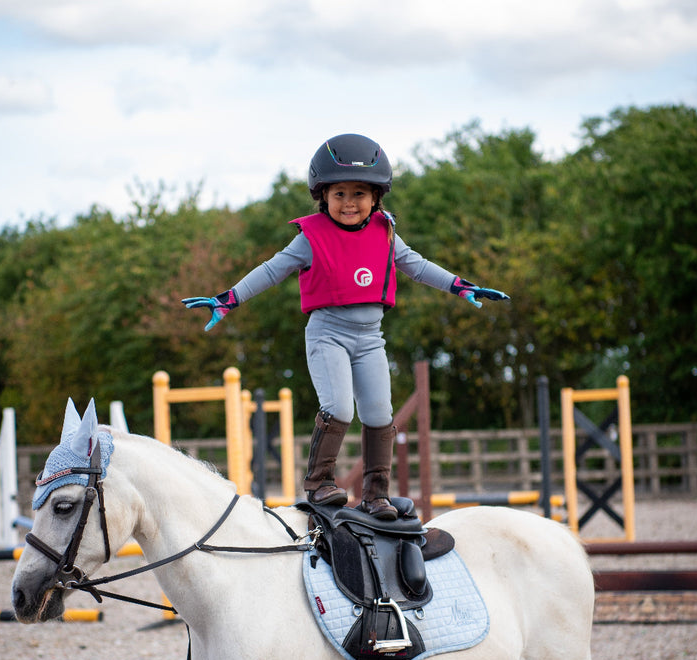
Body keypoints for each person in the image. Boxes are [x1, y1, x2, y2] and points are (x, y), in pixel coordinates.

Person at [183, 133, 509, 520]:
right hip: (328, 333)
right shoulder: (311, 237)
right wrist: (228, 298)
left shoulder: (385, 232)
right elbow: (273, 269)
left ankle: (376, 495)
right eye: (339, 194)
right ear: (323, 197)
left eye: (359, 194)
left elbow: (418, 266)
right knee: (339, 408)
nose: (349, 203)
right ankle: (319, 484)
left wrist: (460, 285)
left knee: (378, 414)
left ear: (376, 198)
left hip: (371, 338)